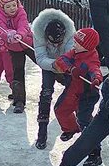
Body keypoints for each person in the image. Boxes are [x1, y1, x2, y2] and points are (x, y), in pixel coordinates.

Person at [32, 9, 93, 149]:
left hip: (67, 65)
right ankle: (42, 131)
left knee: (74, 92)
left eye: (58, 42)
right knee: (46, 93)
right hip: (48, 64)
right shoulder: (38, 32)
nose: (55, 45)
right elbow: (40, 57)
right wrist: (53, 65)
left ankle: (81, 125)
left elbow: (72, 55)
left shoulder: (72, 35)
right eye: (52, 42)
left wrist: (64, 65)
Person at [52, 28, 103, 142]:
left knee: (84, 120)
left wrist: (96, 80)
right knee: (60, 110)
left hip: (87, 94)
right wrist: (71, 68)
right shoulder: (74, 52)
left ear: (86, 46)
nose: (74, 45)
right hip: (72, 89)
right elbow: (61, 60)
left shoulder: (91, 59)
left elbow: (95, 70)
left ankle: (94, 150)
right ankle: (71, 128)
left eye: (77, 43)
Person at [0, 0, 35, 113]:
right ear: (2, 7)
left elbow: (24, 26)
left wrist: (20, 35)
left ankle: (62, 79)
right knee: (18, 71)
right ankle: (19, 101)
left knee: (42, 62)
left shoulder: (21, 12)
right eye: (8, 6)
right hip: (14, 49)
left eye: (14, 5)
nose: (12, 8)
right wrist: (8, 35)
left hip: (28, 43)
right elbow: (1, 31)